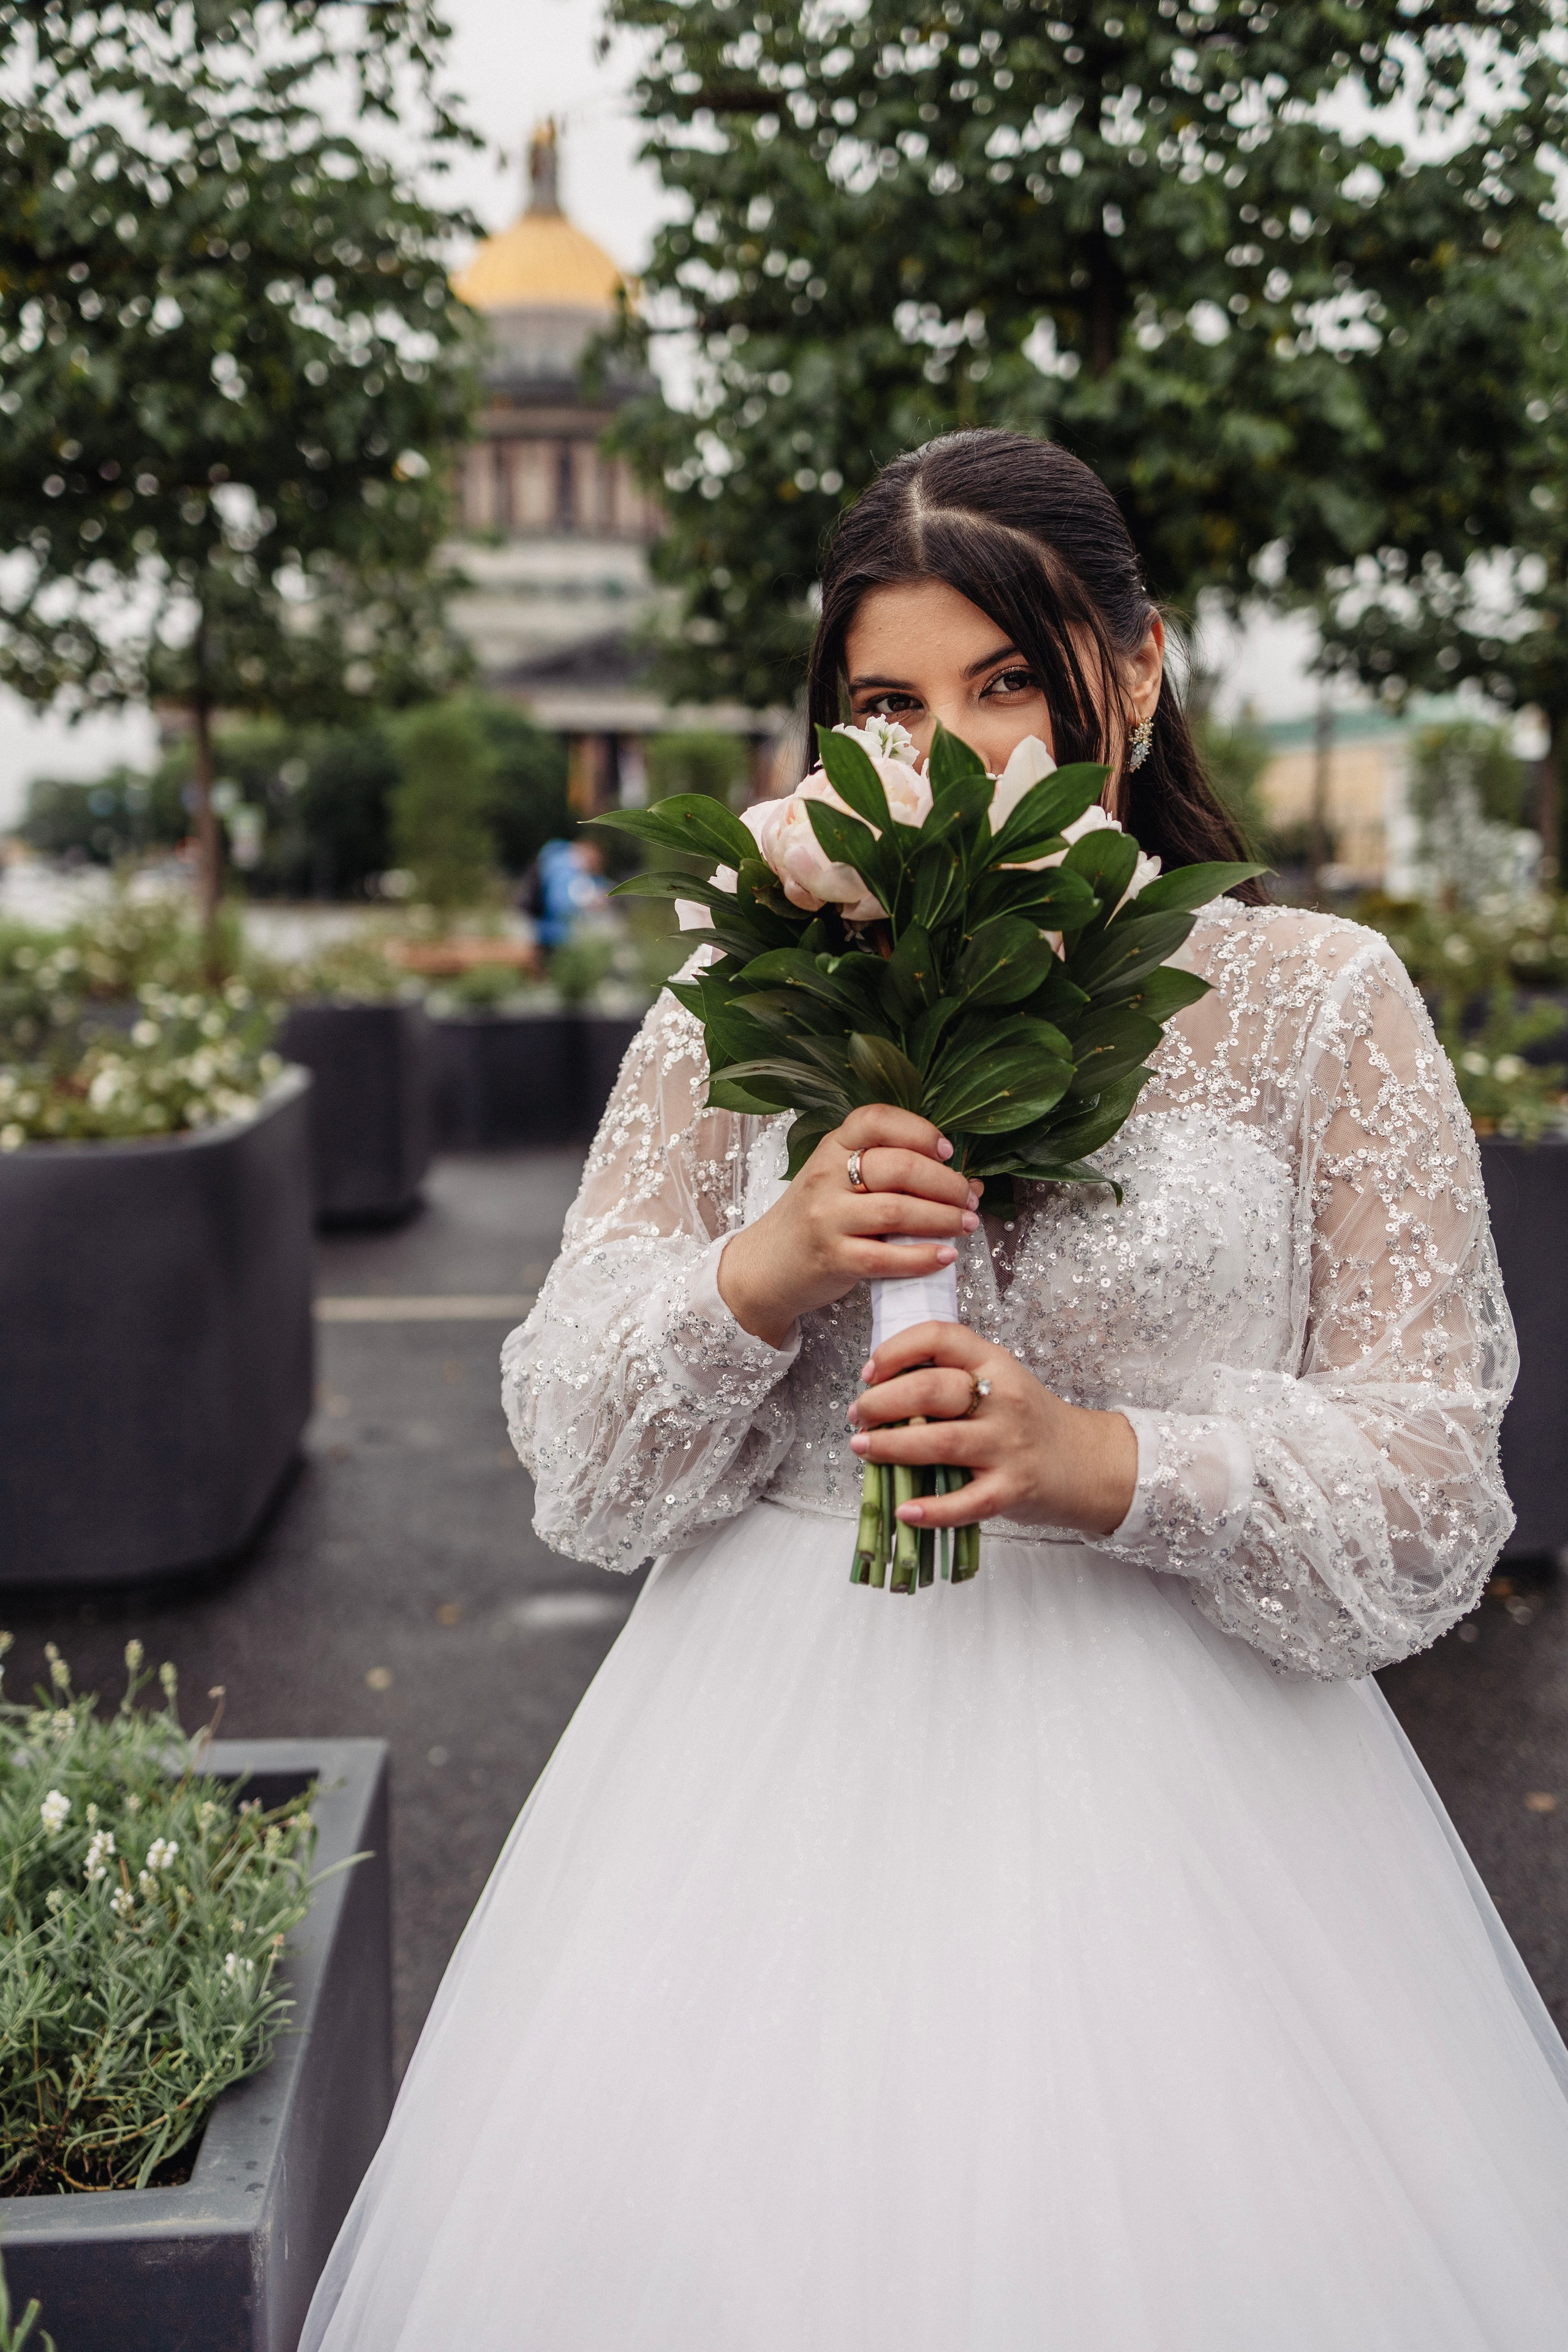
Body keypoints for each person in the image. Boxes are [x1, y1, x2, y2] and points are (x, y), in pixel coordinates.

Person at [302, 432, 1568, 2351]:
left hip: (1202, 1824)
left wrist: (1103, 1465)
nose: (944, 753)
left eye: (1007, 686)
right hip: (753, 1781)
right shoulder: (737, 991)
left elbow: (1433, 1482)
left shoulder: (1319, 1000)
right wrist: (772, 1263)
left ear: (1136, 674)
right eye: (887, 703)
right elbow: (577, 1451)